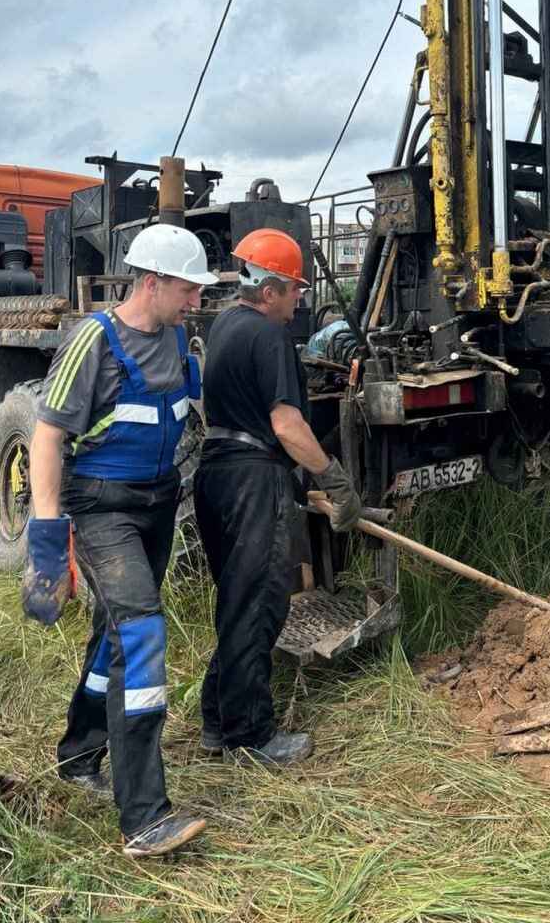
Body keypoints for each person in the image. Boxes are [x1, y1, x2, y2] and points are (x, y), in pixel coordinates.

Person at [24, 223, 217, 856]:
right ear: (154, 281)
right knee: (140, 633)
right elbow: (48, 437)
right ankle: (143, 816)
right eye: (188, 289)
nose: (195, 302)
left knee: (115, 632)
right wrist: (49, 541)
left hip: (158, 503)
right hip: (103, 508)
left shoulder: (178, 340)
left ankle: (79, 754)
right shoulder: (95, 341)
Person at [194, 228, 362, 765]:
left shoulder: (224, 325)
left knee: (236, 603)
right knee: (260, 608)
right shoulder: (268, 336)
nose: (299, 301)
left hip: (218, 471)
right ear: (269, 291)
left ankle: (219, 724)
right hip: (251, 480)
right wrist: (333, 476)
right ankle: (252, 738)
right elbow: (287, 426)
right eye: (295, 291)